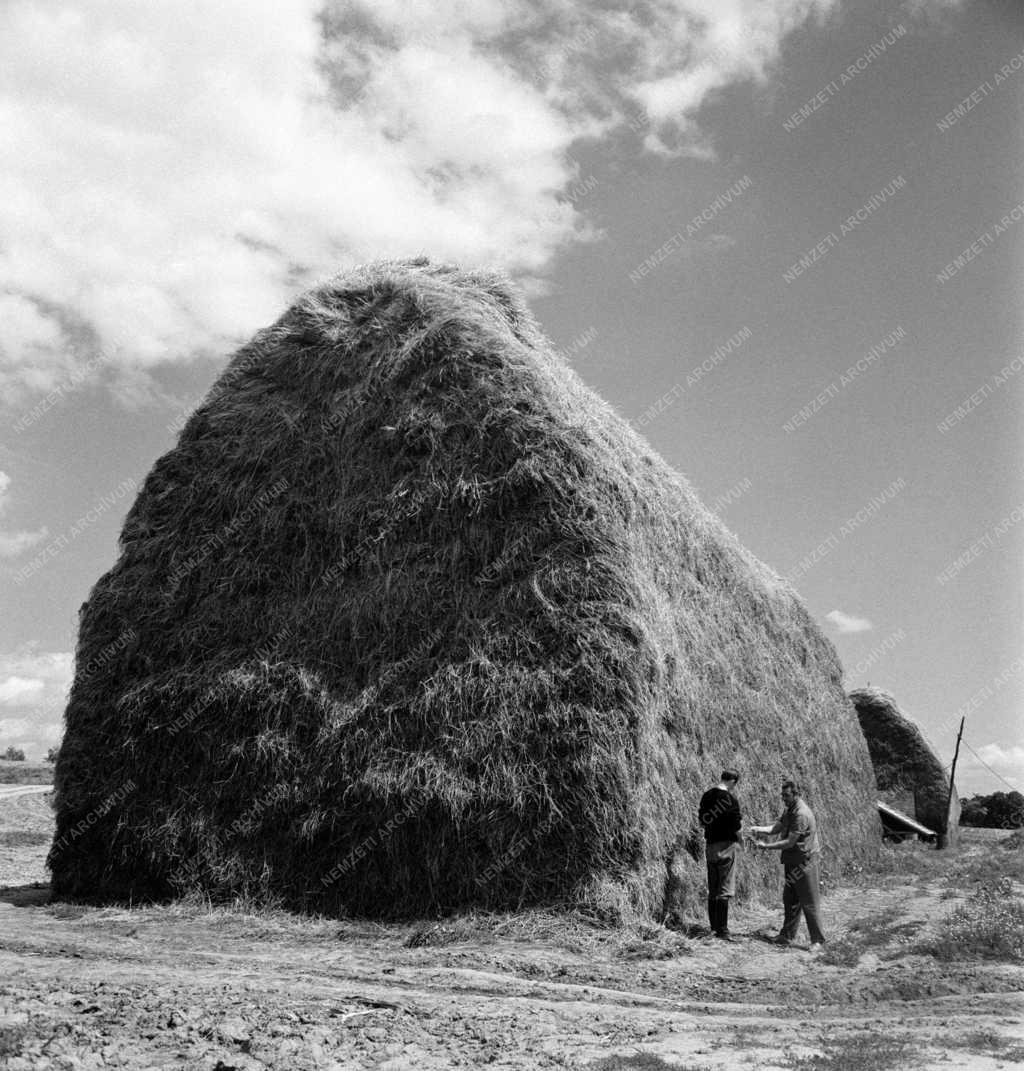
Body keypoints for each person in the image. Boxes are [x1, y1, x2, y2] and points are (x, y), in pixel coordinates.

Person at [750, 780, 826, 949]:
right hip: (793, 860)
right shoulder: (790, 809)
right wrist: (759, 829)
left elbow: (790, 842)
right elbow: (777, 828)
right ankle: (787, 936)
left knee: (809, 901)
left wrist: (766, 846)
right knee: (790, 899)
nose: (783, 798)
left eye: (786, 795)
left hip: (805, 862)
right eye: (782, 795)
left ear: (796, 794)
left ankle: (818, 940)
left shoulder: (801, 814)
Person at [698, 769, 742, 939]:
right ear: (732, 781)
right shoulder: (731, 799)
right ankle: (723, 930)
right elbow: (737, 827)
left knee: (713, 888)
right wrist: (741, 841)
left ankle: (713, 928)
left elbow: (702, 823)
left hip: (710, 846)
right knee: (724, 888)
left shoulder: (706, 796)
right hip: (727, 846)